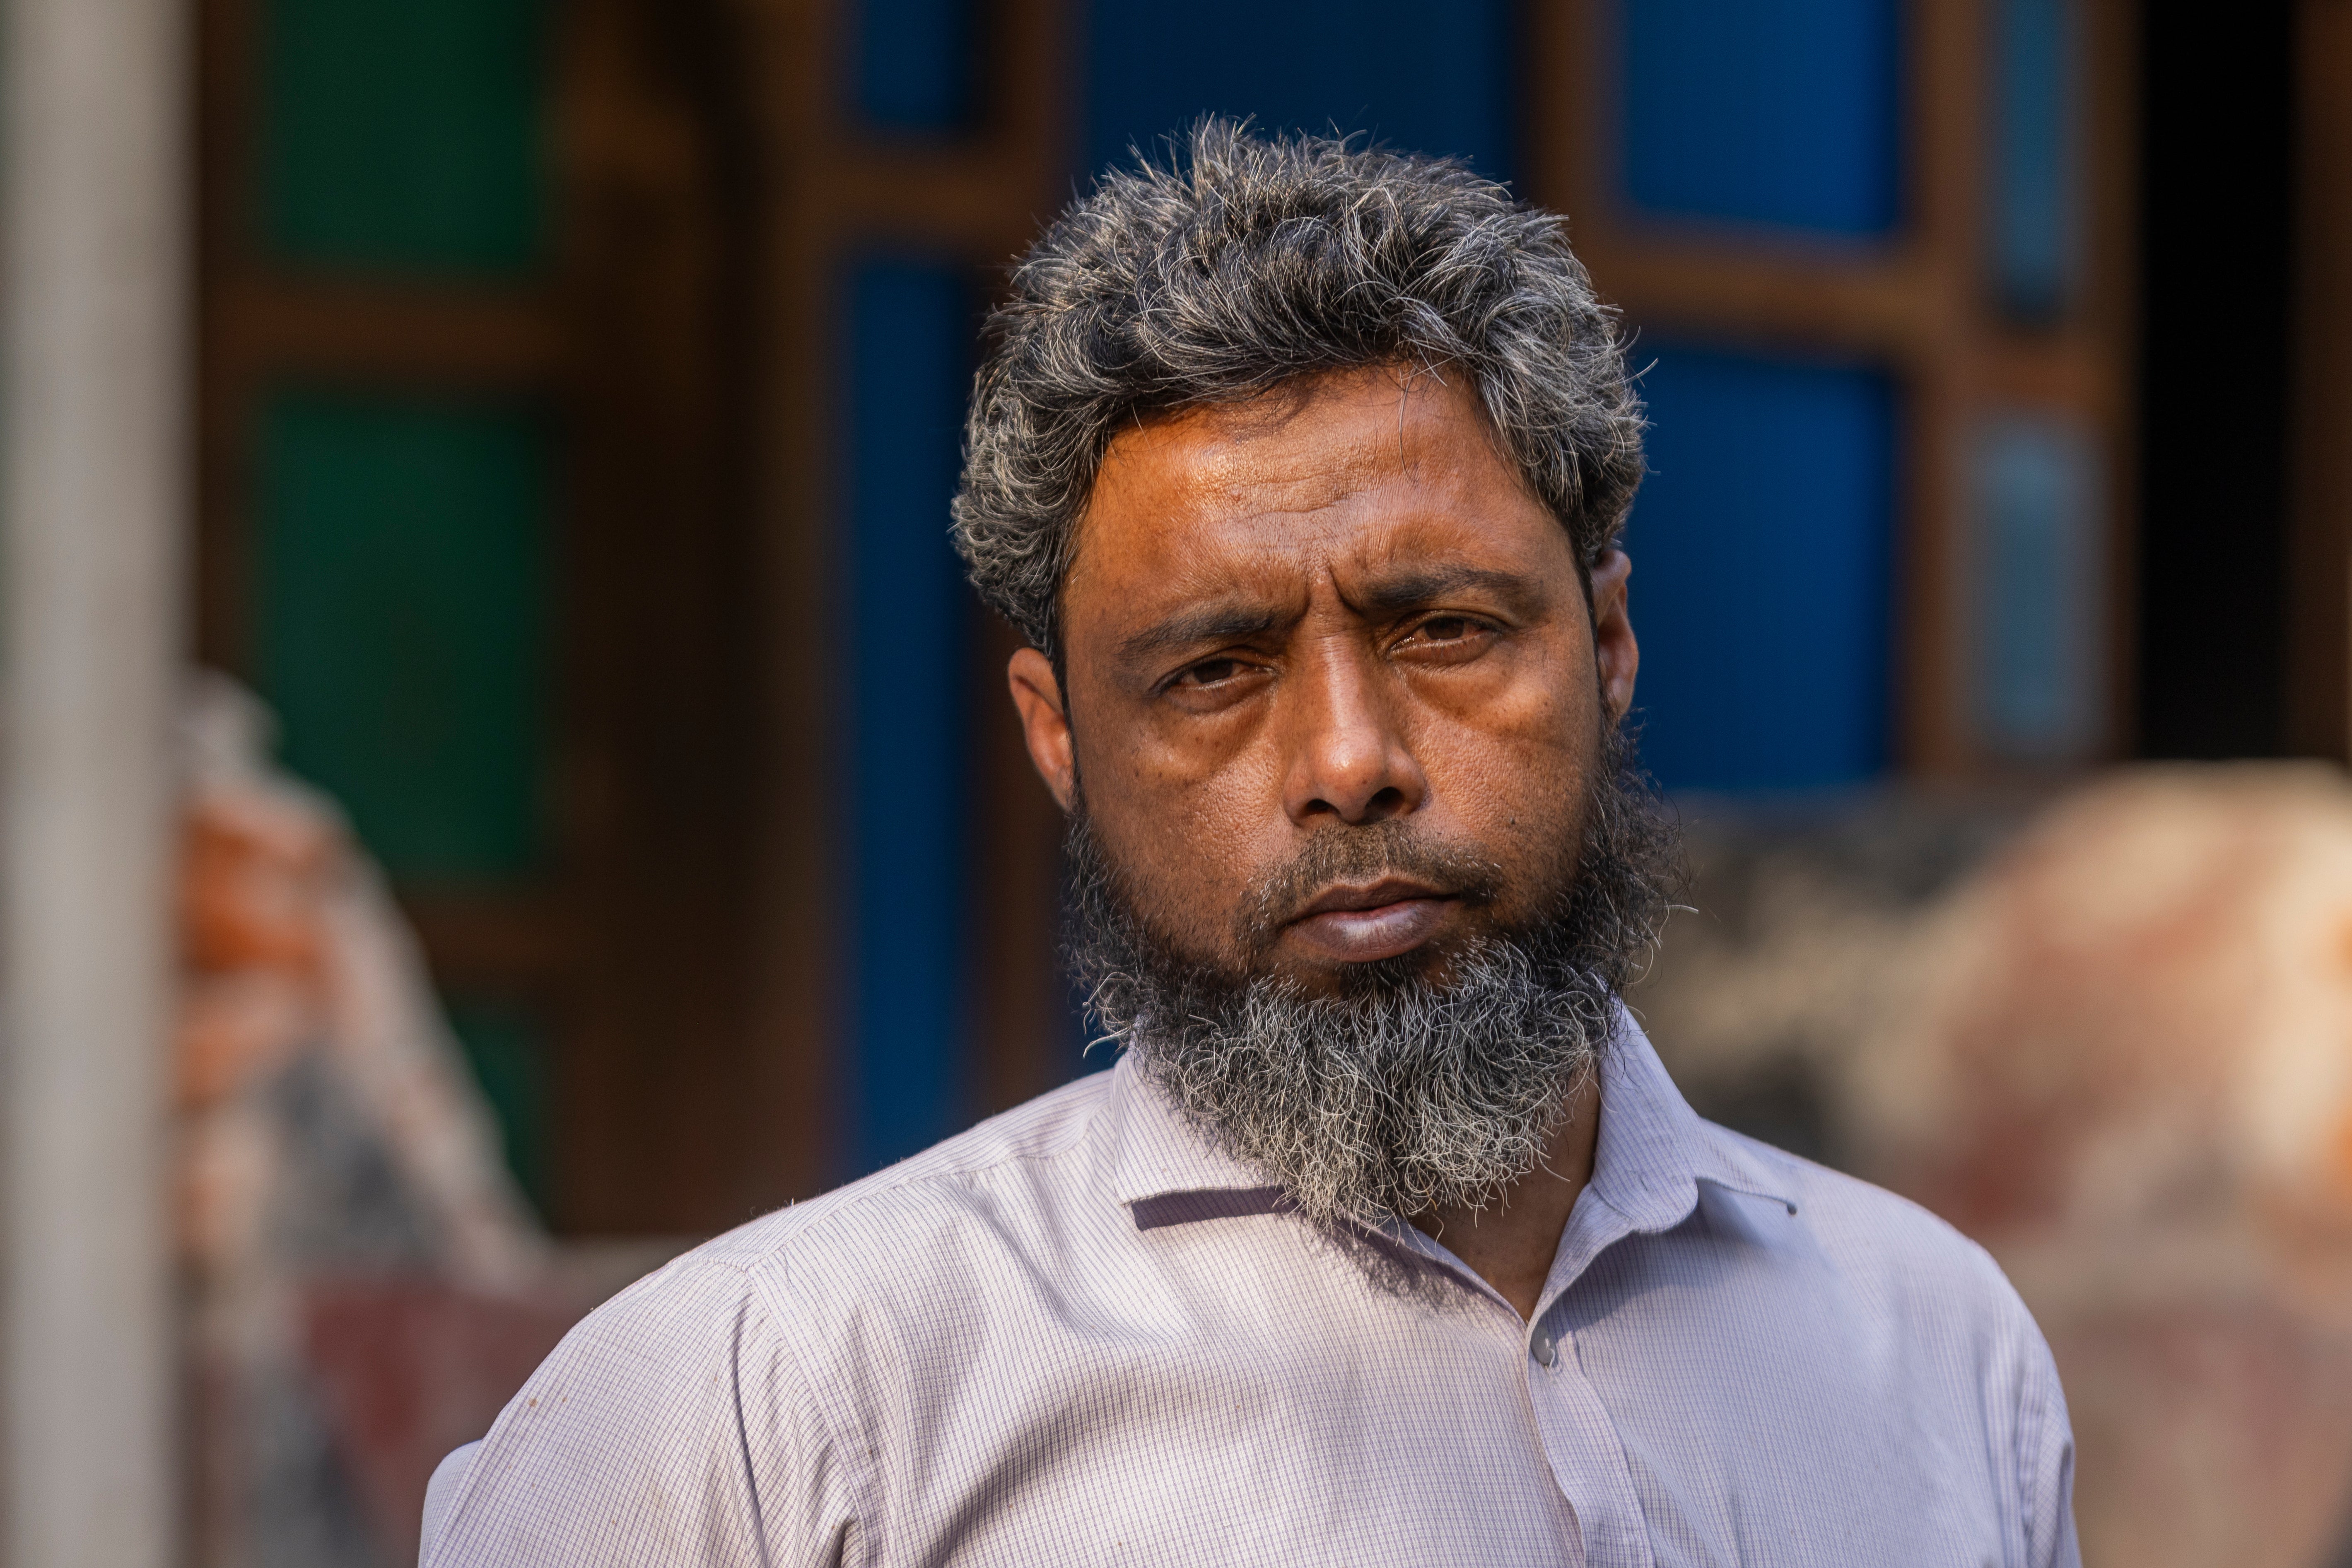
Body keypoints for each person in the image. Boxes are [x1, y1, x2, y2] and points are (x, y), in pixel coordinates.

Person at [422, 122, 2079, 1567]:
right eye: (1211, 670)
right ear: (1054, 733)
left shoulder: (1935, 1351)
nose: (1349, 761)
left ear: (1609, 643)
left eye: (1441, 626)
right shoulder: (769, 1408)